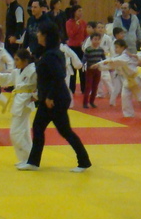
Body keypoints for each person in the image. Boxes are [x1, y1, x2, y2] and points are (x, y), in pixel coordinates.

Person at [19, 26, 91, 172]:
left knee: (65, 131)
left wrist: (50, 96)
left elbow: (59, 77)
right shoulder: (48, 52)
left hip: (55, 99)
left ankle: (84, 161)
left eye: (40, 33)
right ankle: (33, 162)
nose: (37, 35)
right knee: (38, 127)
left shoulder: (51, 55)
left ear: (46, 36)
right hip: (48, 98)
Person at [0, 48, 36, 165]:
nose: (15, 62)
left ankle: (28, 159)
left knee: (15, 133)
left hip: (25, 102)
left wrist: (36, 96)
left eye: (17, 60)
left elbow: (42, 84)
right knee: (24, 132)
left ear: (25, 60)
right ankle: (27, 159)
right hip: (19, 102)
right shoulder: (18, 72)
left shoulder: (33, 71)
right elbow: (9, 78)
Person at [81, 32, 106, 109]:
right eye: (95, 39)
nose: (97, 41)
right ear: (91, 40)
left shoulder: (101, 50)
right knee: (88, 87)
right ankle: (85, 103)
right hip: (90, 70)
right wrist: (82, 64)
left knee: (95, 87)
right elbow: (84, 59)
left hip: (98, 70)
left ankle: (92, 101)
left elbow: (104, 59)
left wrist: (107, 64)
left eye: (98, 39)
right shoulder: (88, 49)